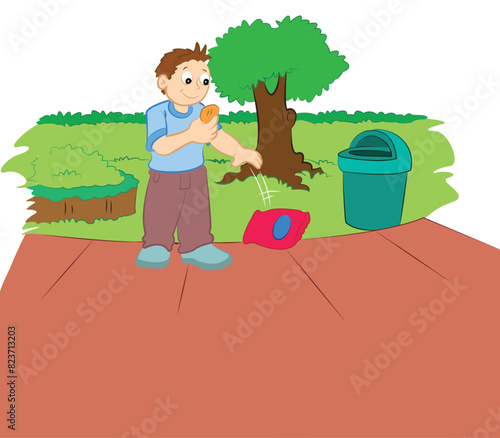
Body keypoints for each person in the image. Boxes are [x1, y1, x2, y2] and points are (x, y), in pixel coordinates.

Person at [136, 43, 263, 270]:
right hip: (164, 178)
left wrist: (238, 151)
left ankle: (197, 246)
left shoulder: (201, 110)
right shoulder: (158, 113)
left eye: (204, 81)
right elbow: (159, 146)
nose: (197, 87)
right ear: (163, 82)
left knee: (196, 213)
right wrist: (190, 134)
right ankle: (156, 245)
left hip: (195, 175)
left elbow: (216, 136)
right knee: (160, 213)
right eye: (187, 79)